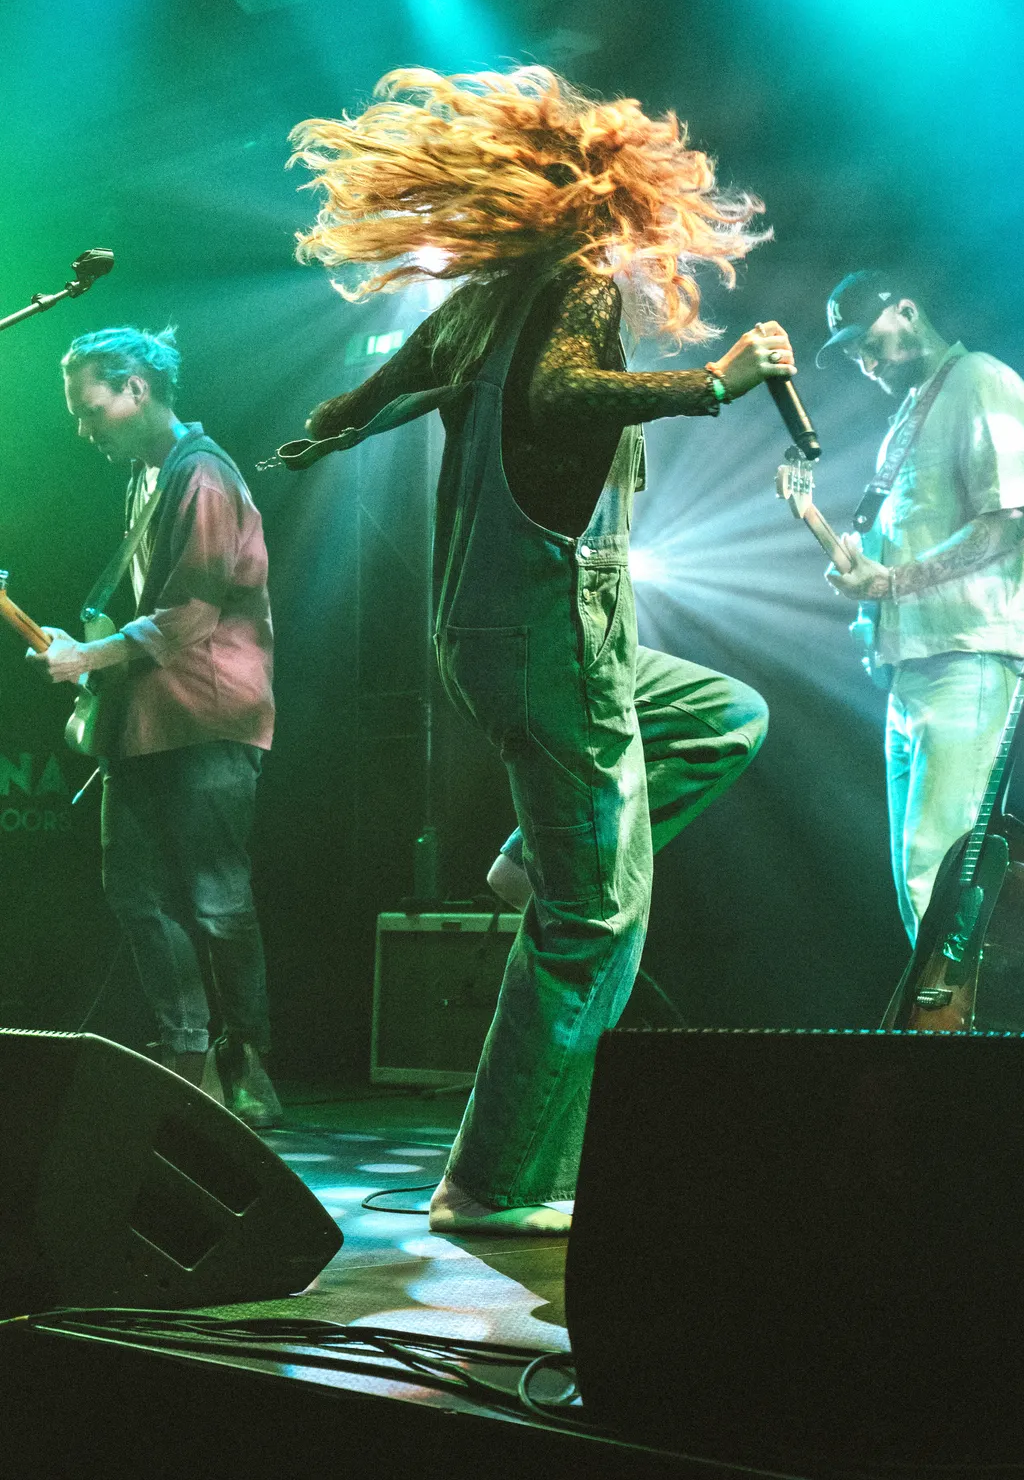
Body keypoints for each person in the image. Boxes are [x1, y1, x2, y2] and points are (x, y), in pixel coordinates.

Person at [294, 65, 790, 1233]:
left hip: (489, 636)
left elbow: (381, 384)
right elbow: (565, 395)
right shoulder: (575, 283)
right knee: (593, 922)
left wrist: (331, 426)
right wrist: (716, 383)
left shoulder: (483, 304)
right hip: (554, 635)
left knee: (724, 715)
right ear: (610, 201)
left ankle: (535, 859)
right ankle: (497, 1185)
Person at [28, 327, 281, 1126]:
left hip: (207, 716)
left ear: (136, 388)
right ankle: (185, 1048)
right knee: (135, 893)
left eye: (90, 409)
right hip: (144, 721)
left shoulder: (201, 475)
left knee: (217, 900)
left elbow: (191, 612)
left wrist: (91, 656)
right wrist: (92, 653)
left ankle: (244, 1058)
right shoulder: (147, 478)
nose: (83, 428)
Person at [817, 270, 1024, 945]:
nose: (866, 362)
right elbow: (907, 546)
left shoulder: (980, 379)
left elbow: (1009, 521)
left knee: (937, 871)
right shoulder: (907, 417)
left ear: (909, 312)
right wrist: (867, 582)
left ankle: (953, 1014)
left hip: (966, 658)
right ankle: (942, 1010)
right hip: (912, 670)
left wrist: (891, 582)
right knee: (919, 878)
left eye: (869, 342)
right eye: (853, 353)